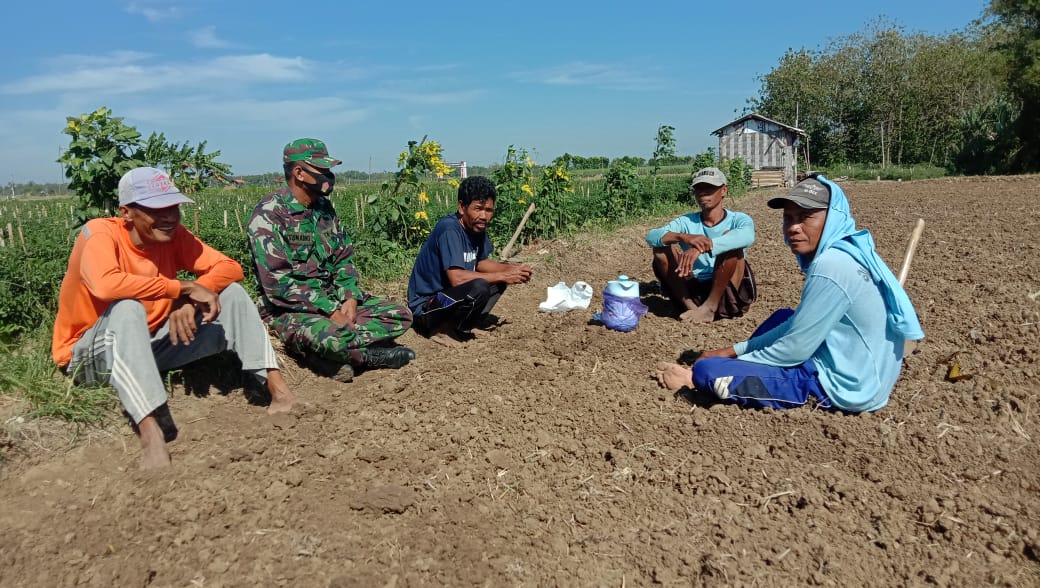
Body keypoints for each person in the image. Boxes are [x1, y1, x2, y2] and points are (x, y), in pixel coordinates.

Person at [52, 167, 295, 469]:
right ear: (126, 212)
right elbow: (105, 284)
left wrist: (188, 297)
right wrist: (179, 287)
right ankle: (150, 432)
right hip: (88, 357)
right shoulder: (98, 234)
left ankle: (279, 392)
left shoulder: (172, 235)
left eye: (173, 207)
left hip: (149, 346)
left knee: (230, 293)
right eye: (156, 209)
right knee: (128, 308)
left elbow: (230, 267)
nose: (169, 216)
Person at [655, 174, 924, 413]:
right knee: (784, 317)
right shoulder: (844, 252)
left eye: (806, 217)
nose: (794, 227)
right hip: (855, 365)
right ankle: (732, 366)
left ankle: (695, 379)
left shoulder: (830, 266)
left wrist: (720, 362)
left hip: (846, 388)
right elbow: (796, 329)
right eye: (789, 218)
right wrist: (728, 351)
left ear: (832, 219)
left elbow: (793, 349)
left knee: (707, 371)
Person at [248, 138, 414, 383]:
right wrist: (329, 310)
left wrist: (349, 298)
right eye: (322, 170)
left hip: (334, 301)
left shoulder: (324, 209)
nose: (329, 176)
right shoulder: (270, 215)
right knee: (332, 337)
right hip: (291, 311)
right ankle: (365, 356)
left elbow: (343, 258)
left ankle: (337, 352)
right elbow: (278, 285)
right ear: (299, 173)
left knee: (400, 314)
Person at [407, 176, 533, 347]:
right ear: (461, 207)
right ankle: (441, 330)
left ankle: (464, 326)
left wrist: (511, 270)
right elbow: (457, 278)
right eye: (478, 209)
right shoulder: (449, 229)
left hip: (450, 297)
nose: (484, 216)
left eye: (488, 210)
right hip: (428, 308)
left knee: (499, 281)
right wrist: (502, 274)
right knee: (481, 285)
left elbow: (480, 262)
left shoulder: (476, 228)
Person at [646, 166, 757, 323]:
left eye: (709, 188)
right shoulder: (686, 222)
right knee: (660, 247)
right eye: (698, 188)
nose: (703, 193)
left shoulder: (738, 219)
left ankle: (710, 308)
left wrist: (703, 247)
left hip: (727, 288)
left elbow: (746, 236)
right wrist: (683, 237)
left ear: (724, 190)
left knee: (732, 244)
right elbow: (652, 236)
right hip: (695, 287)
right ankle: (691, 308)